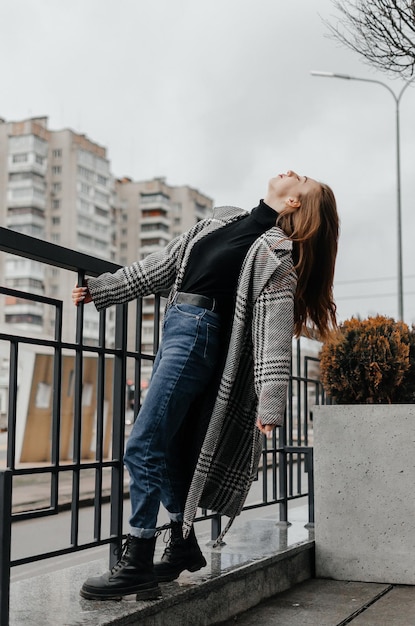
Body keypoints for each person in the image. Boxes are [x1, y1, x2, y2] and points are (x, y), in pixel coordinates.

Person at [72, 170, 339, 601]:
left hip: (199, 333)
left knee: (143, 445)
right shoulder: (221, 222)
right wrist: (103, 289)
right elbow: (162, 265)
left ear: (294, 204)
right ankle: (181, 544)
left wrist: (270, 403)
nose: (292, 173)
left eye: (301, 179)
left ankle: (137, 559)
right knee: (171, 447)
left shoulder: (274, 255)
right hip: (176, 327)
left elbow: (272, 334)